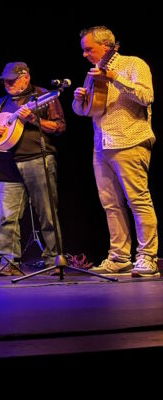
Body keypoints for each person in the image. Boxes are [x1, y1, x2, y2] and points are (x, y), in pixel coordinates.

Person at [72, 26, 157, 277]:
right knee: (111, 204)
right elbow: (87, 111)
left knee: (138, 201)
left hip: (130, 140)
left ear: (106, 46)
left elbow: (146, 96)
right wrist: (79, 99)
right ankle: (119, 257)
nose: (85, 54)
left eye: (89, 49)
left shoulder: (133, 64)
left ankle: (147, 257)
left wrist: (115, 78)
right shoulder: (92, 74)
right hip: (102, 145)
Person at [0, 63, 64, 275]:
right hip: (8, 163)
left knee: (47, 213)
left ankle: (54, 260)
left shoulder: (43, 96)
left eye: (12, 80)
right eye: (5, 81)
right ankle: (8, 263)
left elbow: (59, 126)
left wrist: (33, 119)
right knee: (7, 216)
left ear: (26, 77)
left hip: (38, 159)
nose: (7, 84)